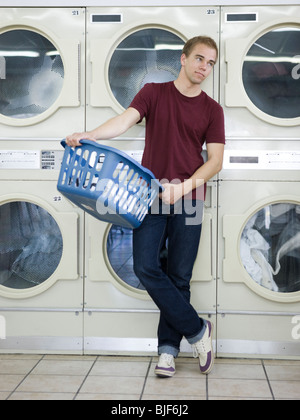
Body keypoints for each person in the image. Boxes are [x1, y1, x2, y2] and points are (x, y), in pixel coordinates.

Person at [66, 36, 225, 378]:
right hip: (149, 196)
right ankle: (198, 331)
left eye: (211, 63)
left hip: (191, 199)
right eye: (199, 59)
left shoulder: (213, 109)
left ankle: (167, 351)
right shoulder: (154, 92)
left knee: (179, 276)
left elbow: (215, 162)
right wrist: (89, 135)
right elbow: (124, 121)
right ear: (183, 59)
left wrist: (182, 187)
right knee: (146, 268)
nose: (204, 67)